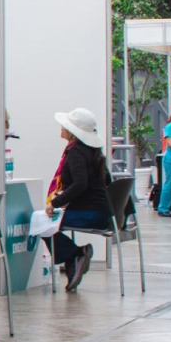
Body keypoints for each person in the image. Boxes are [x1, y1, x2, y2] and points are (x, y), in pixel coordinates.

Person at [42, 108, 113, 293]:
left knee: (42, 224)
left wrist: (55, 203)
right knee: (47, 223)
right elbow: (106, 180)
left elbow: (80, 184)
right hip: (101, 212)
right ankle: (73, 259)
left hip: (89, 214)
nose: (61, 128)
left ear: (72, 132)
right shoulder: (94, 151)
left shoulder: (75, 153)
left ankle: (75, 255)